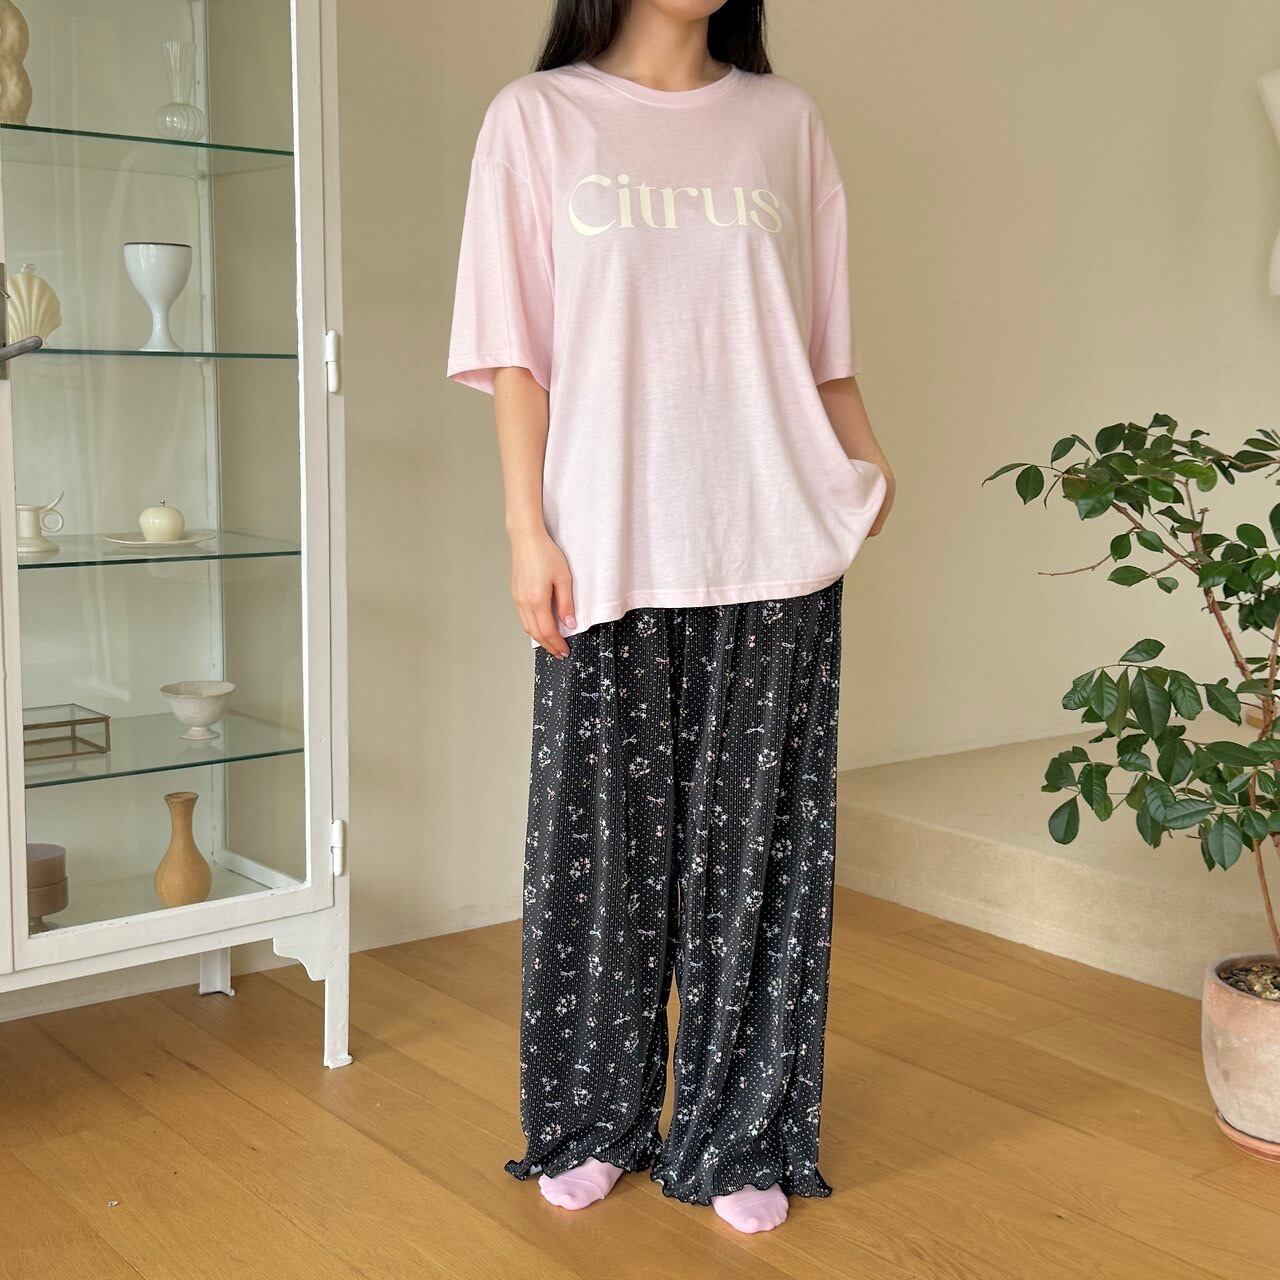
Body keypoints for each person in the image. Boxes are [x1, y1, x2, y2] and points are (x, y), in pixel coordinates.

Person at [447, 0, 894, 1236]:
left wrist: (867, 465)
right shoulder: (537, 118)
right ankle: (594, 1120)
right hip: (607, 539)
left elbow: (821, 343)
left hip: (772, 537)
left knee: (756, 864)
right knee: (600, 857)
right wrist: (524, 529)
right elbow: (516, 353)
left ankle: (736, 1131)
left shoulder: (782, 122)